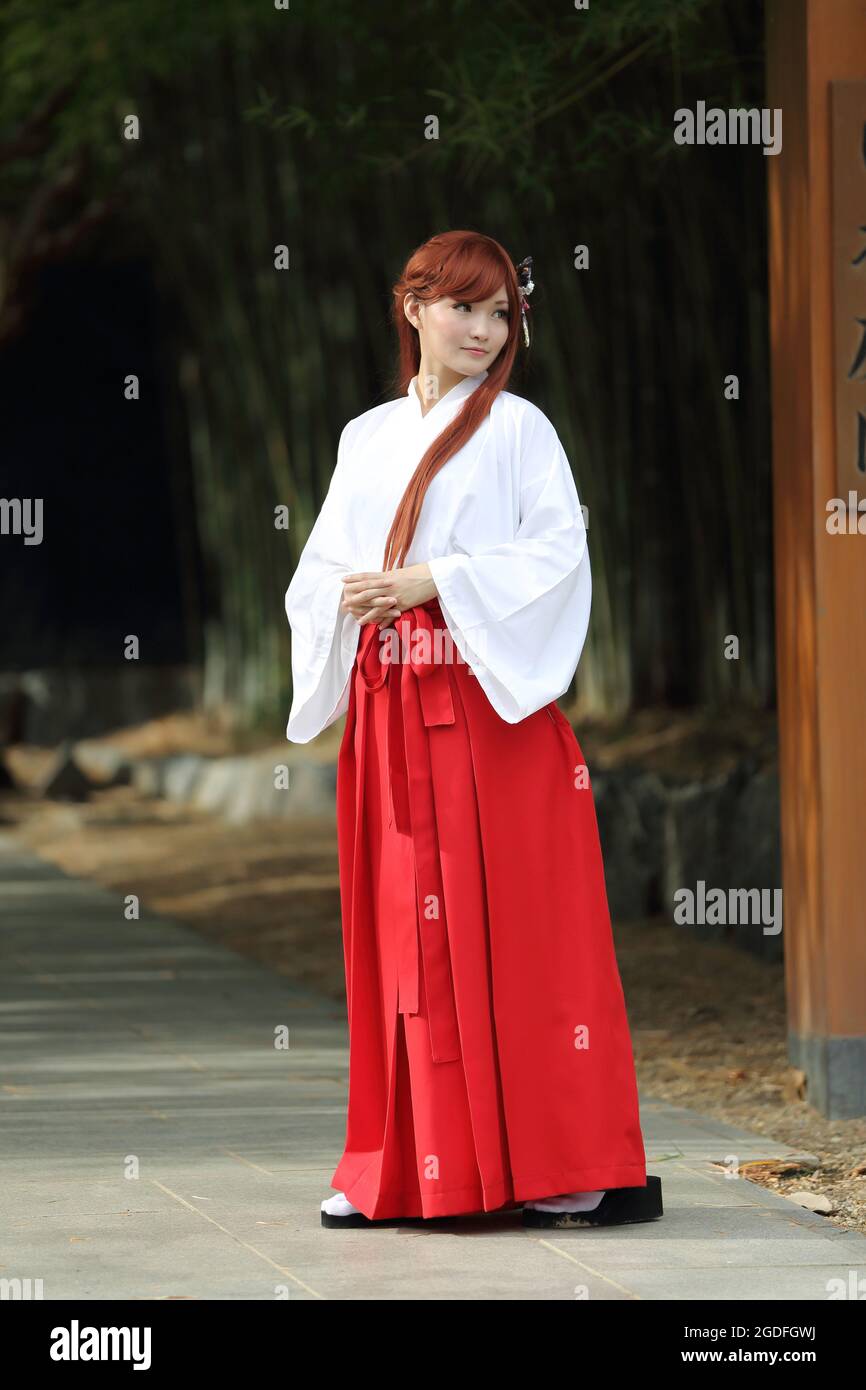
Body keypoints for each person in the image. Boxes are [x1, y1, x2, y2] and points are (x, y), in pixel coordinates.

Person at [284, 230, 662, 1231]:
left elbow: (556, 553)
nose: (486, 332)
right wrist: (349, 598)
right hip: (389, 708)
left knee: (528, 928)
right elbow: (318, 566)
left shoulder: (519, 430)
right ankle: (398, 1168)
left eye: (502, 314)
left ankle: (558, 1164)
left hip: (487, 709)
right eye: (465, 308)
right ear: (411, 306)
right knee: (398, 935)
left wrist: (435, 579)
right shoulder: (364, 436)